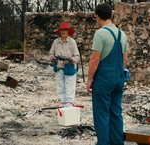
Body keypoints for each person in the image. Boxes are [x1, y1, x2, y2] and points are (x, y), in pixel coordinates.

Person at [87, 3, 129, 145]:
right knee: (116, 112)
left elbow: (95, 58)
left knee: (102, 114)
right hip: (118, 79)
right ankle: (117, 142)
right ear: (110, 15)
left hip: (104, 80)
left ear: (97, 16)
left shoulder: (100, 34)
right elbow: (124, 59)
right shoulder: (122, 34)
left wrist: (89, 79)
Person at [49, 22, 80, 106]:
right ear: (59, 31)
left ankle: (69, 106)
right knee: (60, 88)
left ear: (68, 31)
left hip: (69, 67)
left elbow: (77, 57)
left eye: (65, 30)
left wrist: (70, 60)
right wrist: (53, 59)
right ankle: (62, 105)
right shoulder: (56, 42)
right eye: (62, 30)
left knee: (69, 88)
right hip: (58, 66)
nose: (63, 32)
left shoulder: (72, 42)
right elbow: (51, 54)